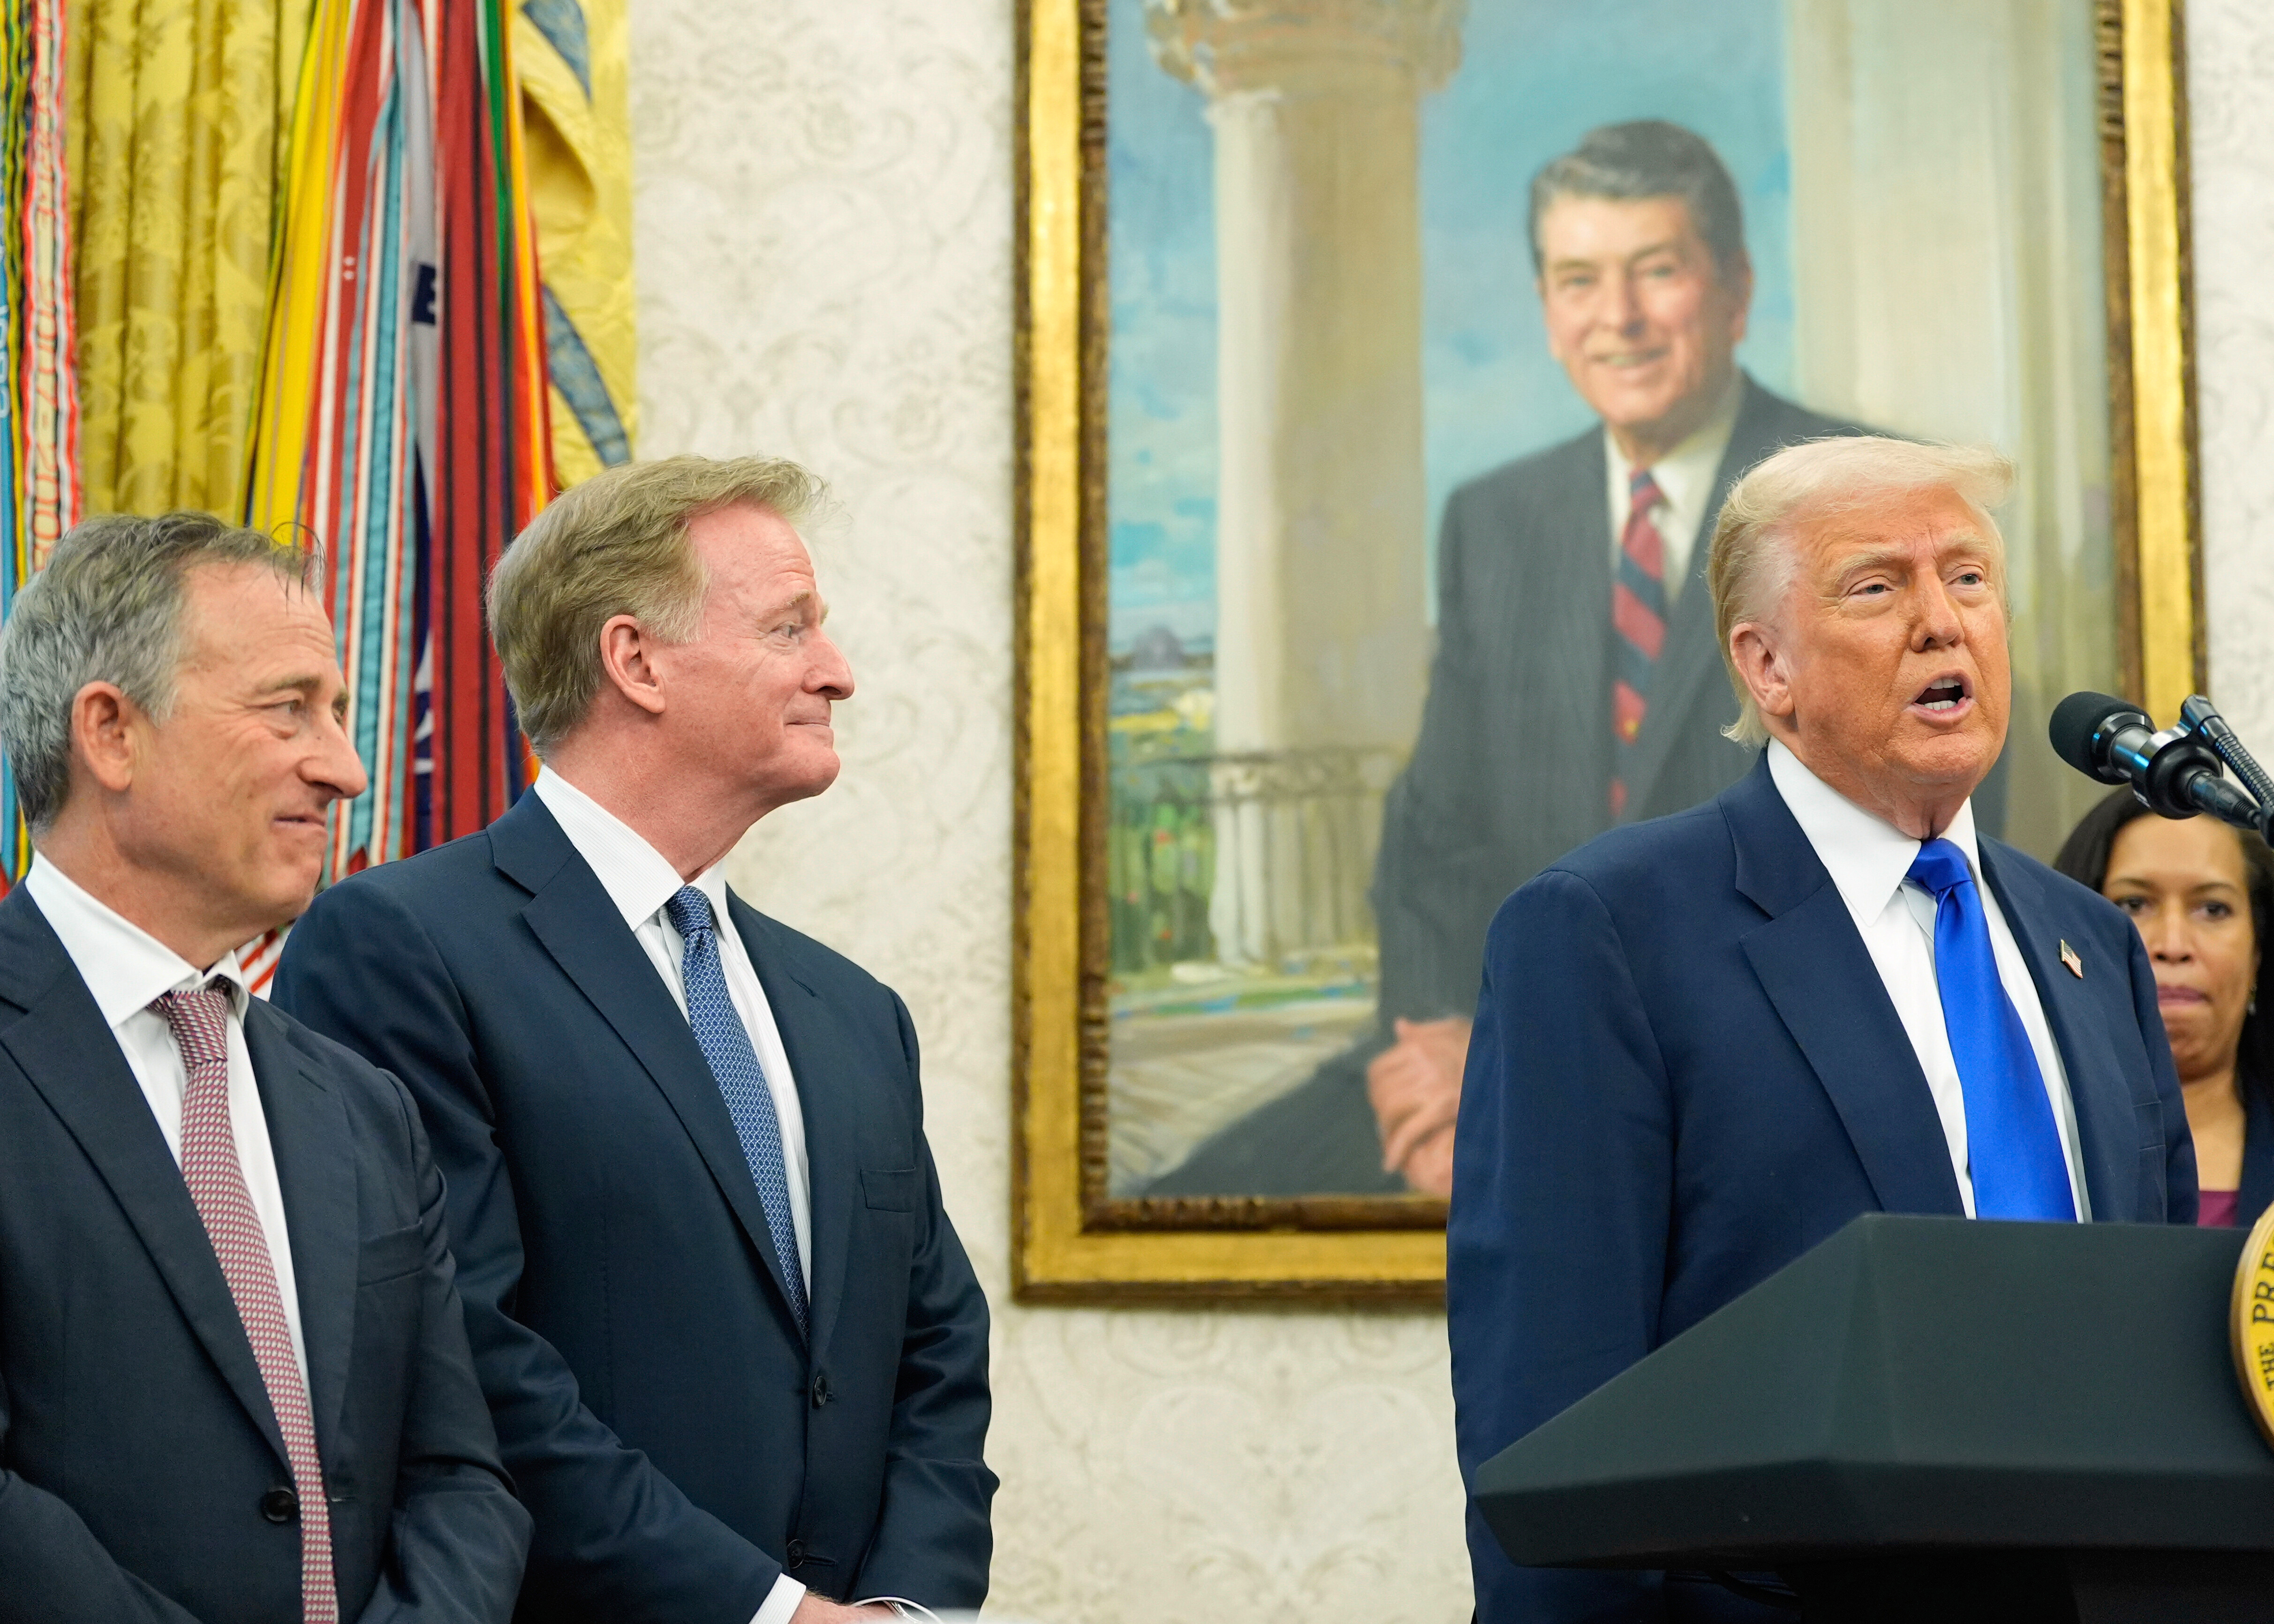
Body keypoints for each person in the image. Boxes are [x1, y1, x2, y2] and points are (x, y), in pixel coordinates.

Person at [1447, 438, 2196, 1624]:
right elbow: (1550, 1406)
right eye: (1875, 586)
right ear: (1766, 667)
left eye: (1966, 577)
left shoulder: (2085, 943)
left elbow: (2152, 1352)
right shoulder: (1607, 928)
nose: (1942, 623)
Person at [274, 457, 994, 1623]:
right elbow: (462, 1360)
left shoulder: (853, 1008)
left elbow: (937, 1349)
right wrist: (770, 1611)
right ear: (635, 659)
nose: (837, 670)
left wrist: (906, 1607)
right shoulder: (401, 948)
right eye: (789, 627)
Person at [1149, 119, 1871, 1198]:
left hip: (1752, 1071)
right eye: (1578, 280)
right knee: (1204, 1191)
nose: (1615, 318)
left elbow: (1879, 860)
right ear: (1545, 312)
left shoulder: (1849, 501)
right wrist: (1440, 1048)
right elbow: (1430, 836)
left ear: (1732, 289)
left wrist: (1562, 1075)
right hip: (1500, 1038)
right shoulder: (1494, 519)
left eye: (1654, 272)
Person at [0, 513, 529, 1623]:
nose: (345, 765)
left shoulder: (362, 1106)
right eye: (290, 707)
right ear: (111, 730)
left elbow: (459, 1473)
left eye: (337, 712)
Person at [2055, 788, 2274, 1227]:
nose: (2172, 946)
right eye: (2134, 905)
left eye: (2212, 909)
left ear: (2257, 952)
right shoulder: (2017, 1139)